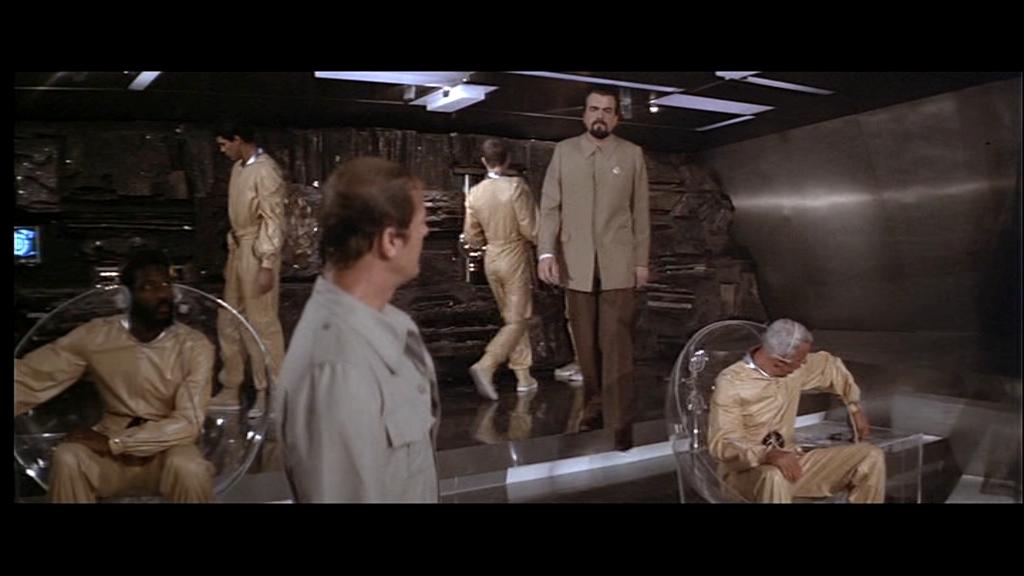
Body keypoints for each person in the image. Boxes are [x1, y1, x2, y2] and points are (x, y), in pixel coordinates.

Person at [277, 157, 440, 503]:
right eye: (421, 222)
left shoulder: (393, 325)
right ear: (390, 241)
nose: (425, 232)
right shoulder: (339, 368)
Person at [15, 248, 216, 503]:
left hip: (167, 451)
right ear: (126, 296)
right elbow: (33, 376)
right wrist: (110, 443)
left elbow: (189, 422)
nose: (162, 294)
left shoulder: (194, 346)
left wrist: (116, 442)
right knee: (68, 457)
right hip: (108, 456)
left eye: (166, 284)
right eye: (148, 287)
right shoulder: (96, 336)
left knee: (190, 467)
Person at [537, 87, 651, 451]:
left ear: (616, 118)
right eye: (594, 109)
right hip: (576, 264)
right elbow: (550, 208)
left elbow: (641, 213)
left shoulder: (631, 154)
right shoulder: (564, 152)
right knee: (585, 345)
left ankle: (619, 422)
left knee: (616, 344)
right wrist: (545, 253)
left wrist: (641, 261)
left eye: (607, 110)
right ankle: (594, 407)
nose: (600, 115)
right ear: (584, 114)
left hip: (618, 264)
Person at [708, 318, 886, 503]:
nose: (804, 364)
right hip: (745, 473)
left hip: (792, 462)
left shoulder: (794, 371)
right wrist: (766, 455)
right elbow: (724, 443)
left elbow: (830, 366)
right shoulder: (731, 383)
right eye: (800, 361)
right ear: (780, 362)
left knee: (869, 456)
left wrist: (854, 408)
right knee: (773, 476)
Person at [211, 124, 286, 418]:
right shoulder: (239, 169)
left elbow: (273, 218)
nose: (222, 150)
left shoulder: (265, 170)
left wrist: (266, 262)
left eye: (224, 144)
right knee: (229, 318)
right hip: (240, 247)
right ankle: (232, 386)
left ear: (238, 140)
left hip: (256, 248)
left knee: (261, 321)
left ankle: (273, 391)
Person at [463, 138, 539, 399]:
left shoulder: (475, 193)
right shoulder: (516, 187)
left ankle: (523, 377)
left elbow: (472, 236)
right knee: (518, 318)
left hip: (491, 258)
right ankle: (487, 364)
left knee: (511, 317)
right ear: (507, 160)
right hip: (514, 254)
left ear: (484, 161)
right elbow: (530, 229)